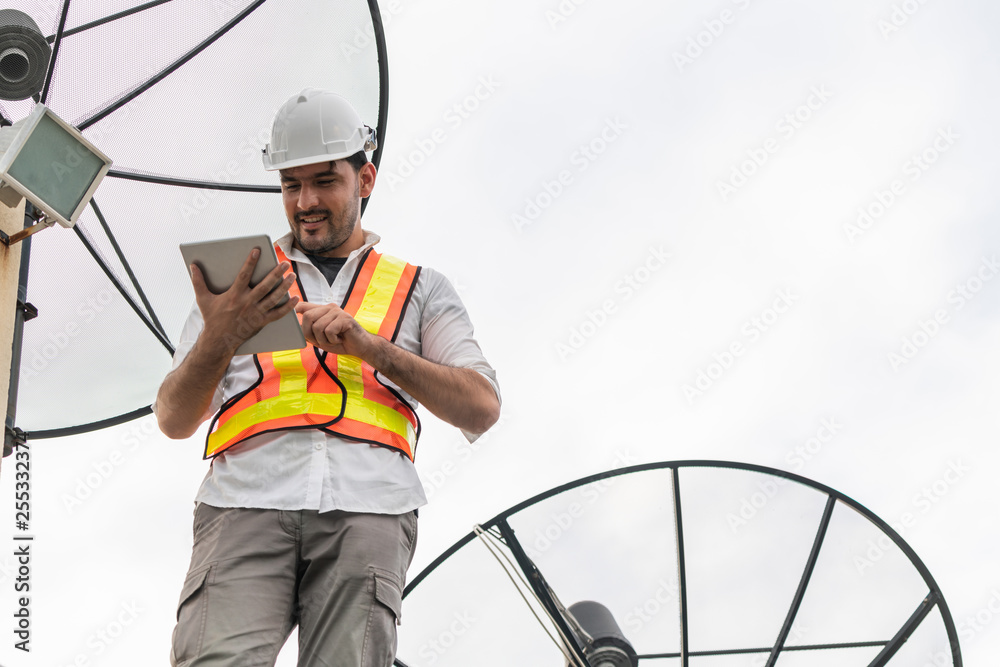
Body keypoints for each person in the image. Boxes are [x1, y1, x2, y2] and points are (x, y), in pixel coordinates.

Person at [154, 88, 501, 667]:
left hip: (370, 506)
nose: (306, 200)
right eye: (291, 185)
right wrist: (221, 333)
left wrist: (370, 348)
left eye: (325, 181)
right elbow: (172, 418)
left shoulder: (422, 287)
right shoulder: (236, 281)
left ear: (365, 180)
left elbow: (481, 408)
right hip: (245, 501)